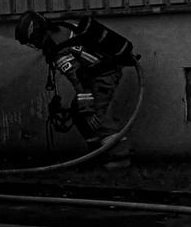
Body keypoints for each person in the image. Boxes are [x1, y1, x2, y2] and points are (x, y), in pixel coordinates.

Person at [15, 11, 136, 168]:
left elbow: (77, 78)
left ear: (36, 33)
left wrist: (87, 106)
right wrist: (83, 107)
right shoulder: (62, 27)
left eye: (31, 40)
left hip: (104, 74)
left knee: (97, 114)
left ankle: (120, 158)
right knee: (79, 112)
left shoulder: (57, 48)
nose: (34, 45)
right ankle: (96, 153)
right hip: (101, 70)